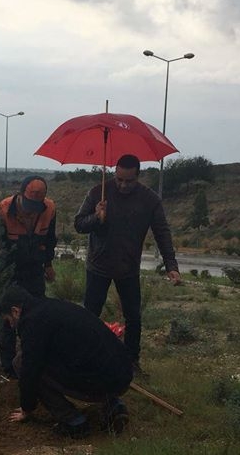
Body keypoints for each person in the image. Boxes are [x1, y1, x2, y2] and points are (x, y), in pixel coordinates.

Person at [74, 154, 181, 370]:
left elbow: (162, 232)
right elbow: (79, 224)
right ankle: (84, 358)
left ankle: (131, 361)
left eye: (128, 181)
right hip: (98, 265)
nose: (123, 185)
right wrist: (96, 218)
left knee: (133, 316)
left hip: (128, 267)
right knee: (89, 315)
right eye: (119, 179)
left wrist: (171, 265)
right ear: (115, 173)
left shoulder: (149, 199)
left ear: (138, 176)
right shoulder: (98, 192)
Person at [0, 285, 133, 437]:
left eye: (9, 320)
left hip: (102, 380)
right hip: (123, 372)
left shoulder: (32, 323)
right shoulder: (52, 307)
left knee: (21, 362)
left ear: (15, 311)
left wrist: (26, 408)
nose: (11, 326)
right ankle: (114, 405)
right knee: (88, 359)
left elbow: (30, 370)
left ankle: (74, 421)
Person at [0, 175, 57, 378]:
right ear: (20, 194)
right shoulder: (1, 211)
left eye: (36, 205)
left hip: (34, 270)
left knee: (36, 315)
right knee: (8, 319)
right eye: (29, 204)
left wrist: (48, 263)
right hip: (9, 271)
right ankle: (9, 369)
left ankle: (34, 361)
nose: (32, 210)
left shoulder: (49, 209)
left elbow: (50, 239)